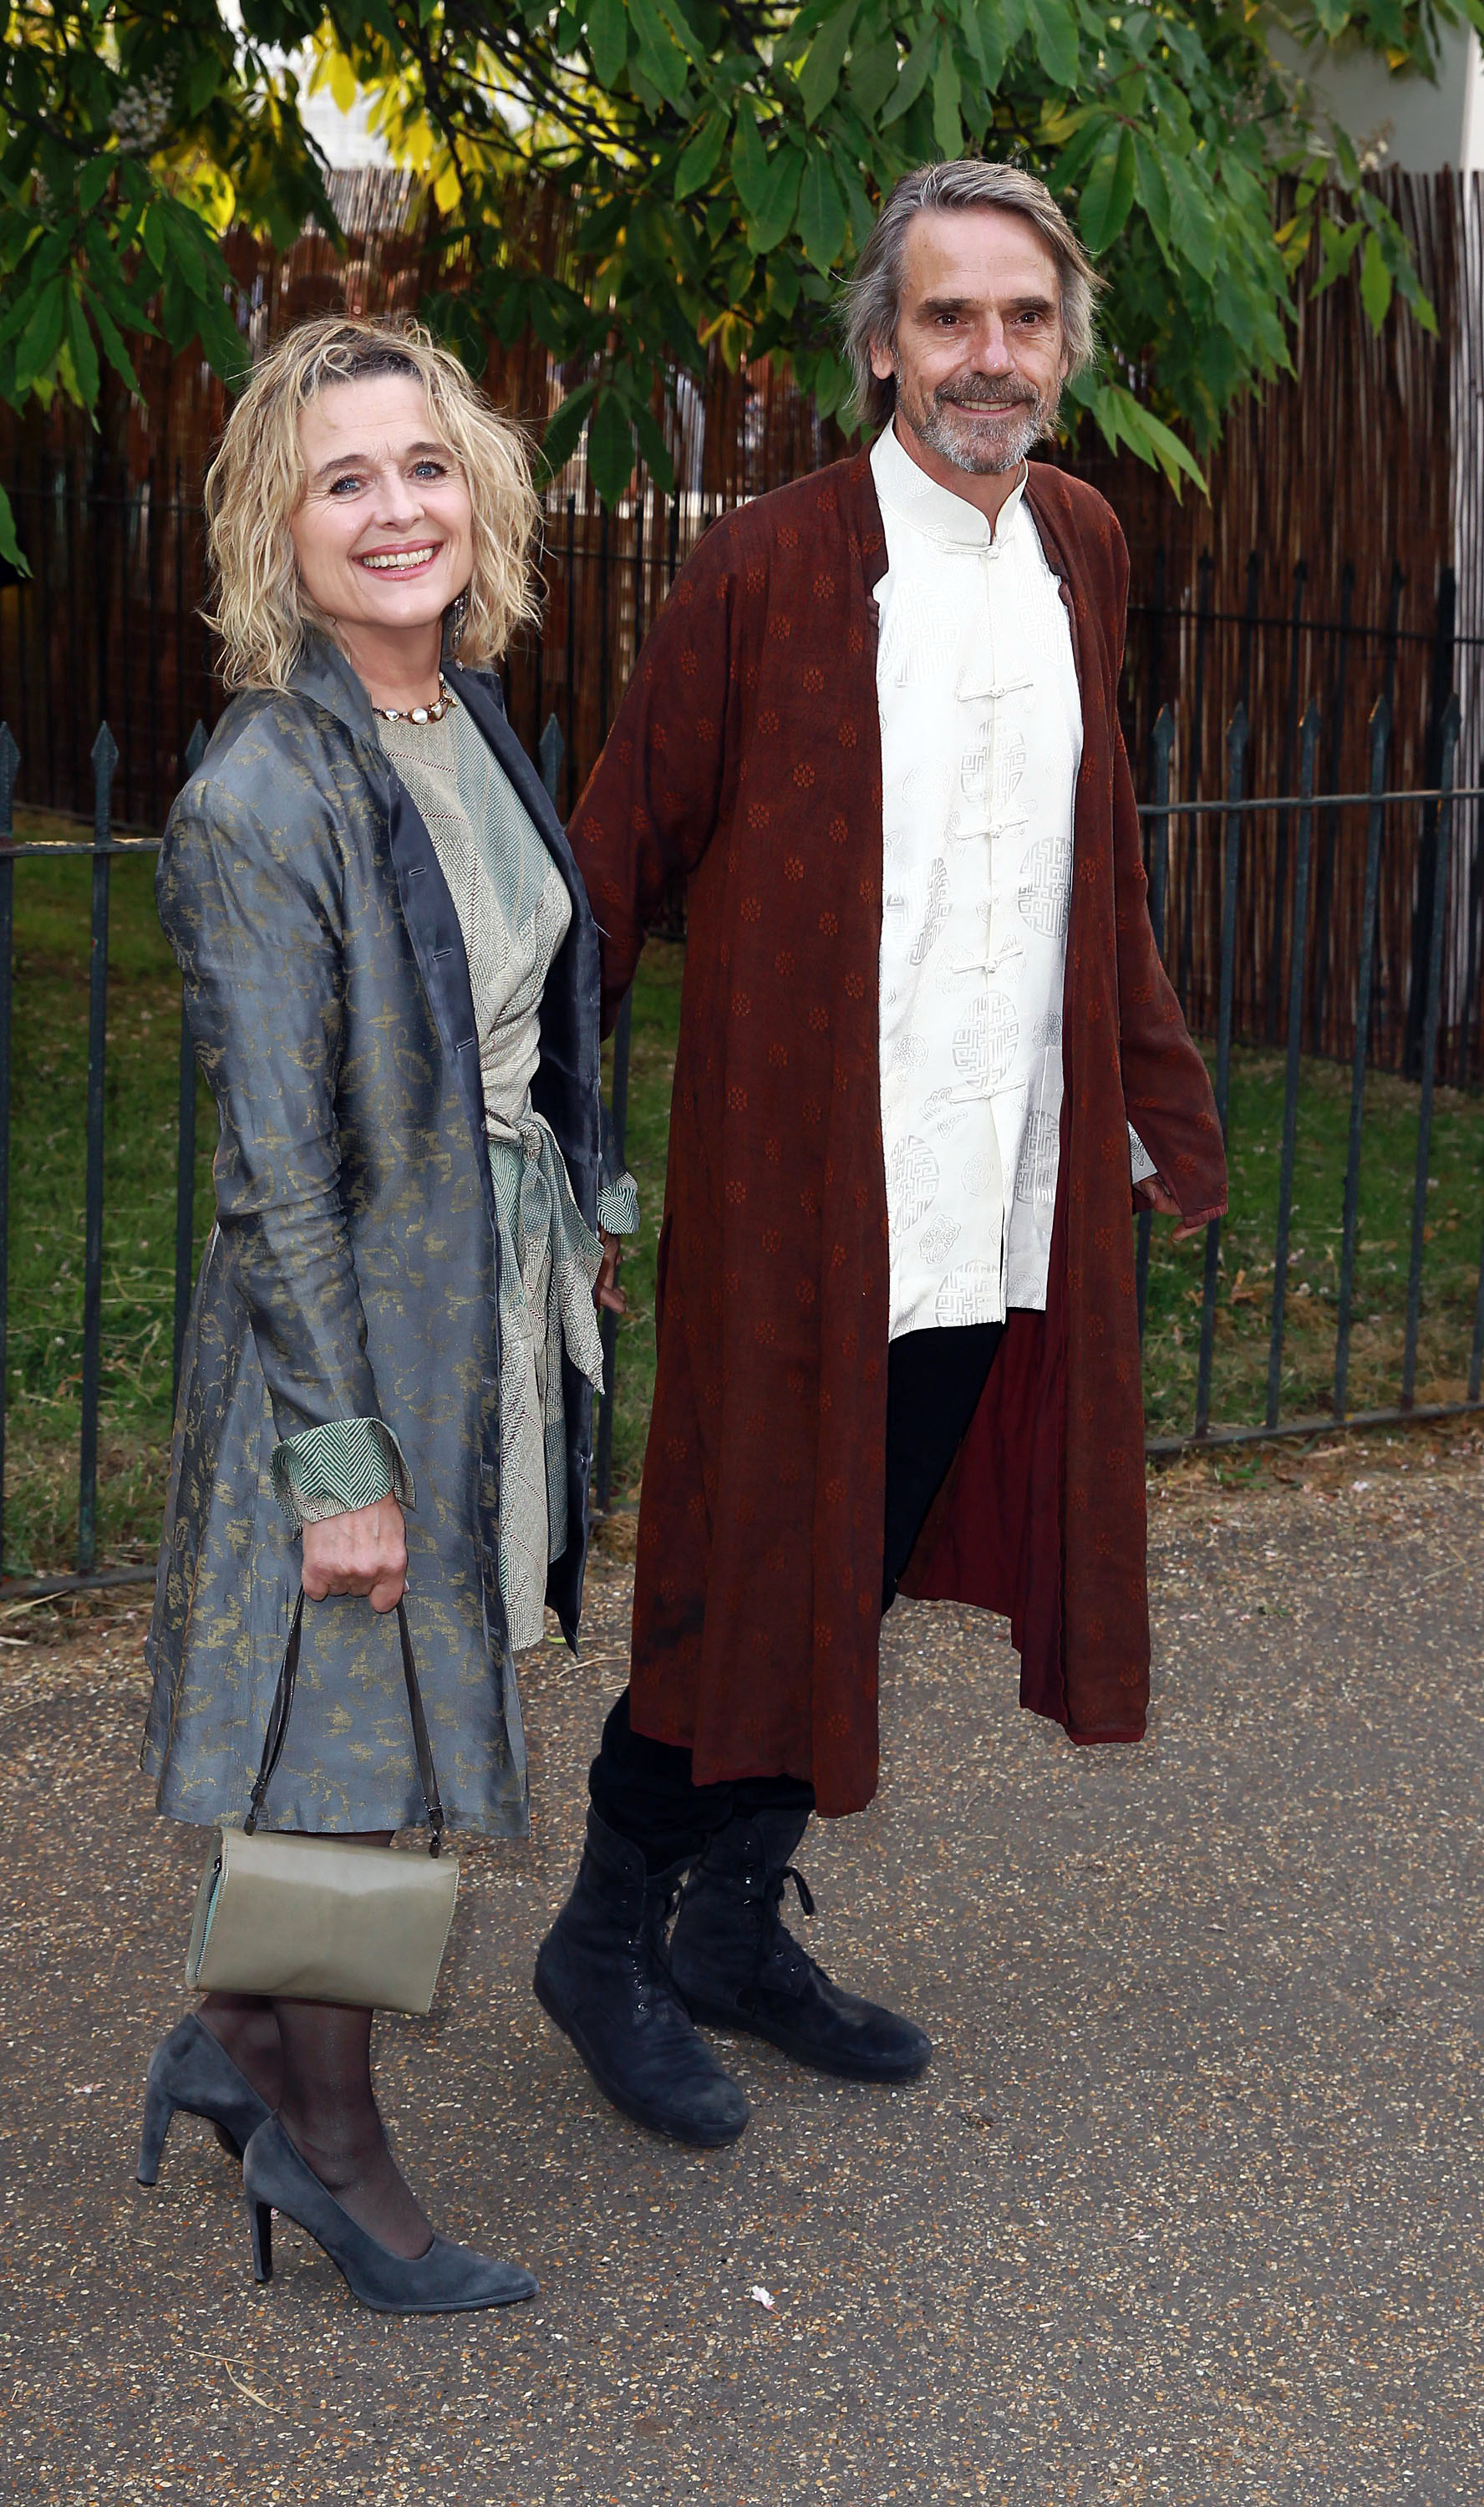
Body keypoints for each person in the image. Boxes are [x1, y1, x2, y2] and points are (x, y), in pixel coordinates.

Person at [536, 160, 1227, 2146]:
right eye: (947, 319)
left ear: (1066, 347)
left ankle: (728, 1926)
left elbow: (1101, 875)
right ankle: (601, 1935)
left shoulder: (1083, 546)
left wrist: (1150, 1113)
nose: (985, 357)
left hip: (1000, 1189)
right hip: (804, 1202)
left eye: (1021, 320)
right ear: (879, 346)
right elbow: (607, 876)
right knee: (748, 1570)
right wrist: (562, 1162)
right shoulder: (765, 568)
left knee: (834, 1578)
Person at [135, 315, 633, 2310]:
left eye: (423, 465)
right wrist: (339, 1467)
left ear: (480, 488)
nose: (395, 507)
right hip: (337, 1345)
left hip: (476, 1305)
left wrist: (580, 1209)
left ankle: (239, 2042)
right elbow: (273, 1175)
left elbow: (533, 997)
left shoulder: (466, 714)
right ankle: (327, 2145)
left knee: (408, 1717)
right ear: (278, 522)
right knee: (354, 1745)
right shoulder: (262, 795)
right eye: (343, 479)